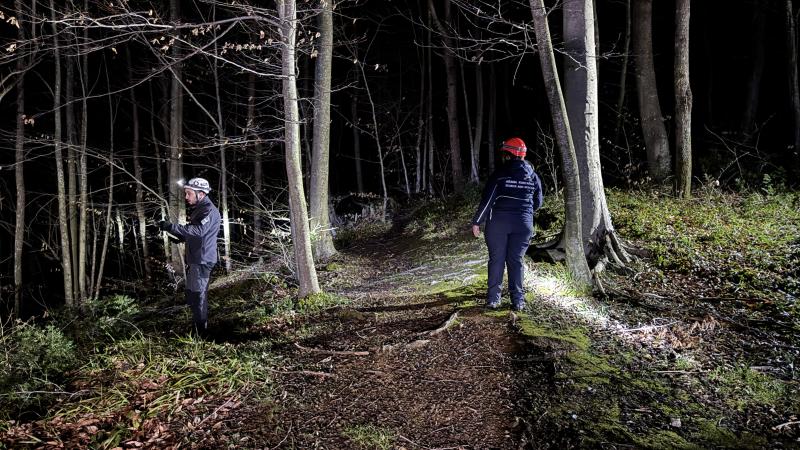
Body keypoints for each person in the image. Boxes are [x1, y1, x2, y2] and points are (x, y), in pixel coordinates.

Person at [470, 137, 543, 311]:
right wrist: (525, 211)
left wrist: (477, 222)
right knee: (516, 260)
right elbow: (538, 201)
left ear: (508, 154)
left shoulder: (500, 174)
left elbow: (487, 200)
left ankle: (494, 299)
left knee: (497, 259)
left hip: (499, 223)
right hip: (523, 223)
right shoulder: (533, 175)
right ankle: (518, 300)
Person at [159, 177, 221, 333]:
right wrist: (179, 236)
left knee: (198, 295)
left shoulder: (208, 210)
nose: (186, 197)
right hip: (196, 258)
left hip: (203, 259)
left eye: (188, 193)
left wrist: (172, 227)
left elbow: (199, 231)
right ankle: (197, 326)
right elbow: (195, 232)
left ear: (200, 194)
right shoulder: (200, 209)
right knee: (192, 293)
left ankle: (201, 332)